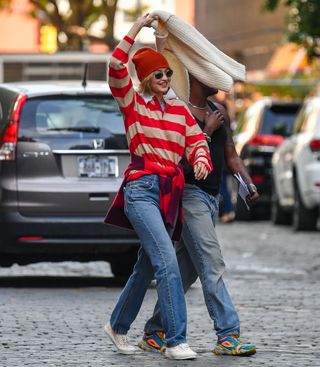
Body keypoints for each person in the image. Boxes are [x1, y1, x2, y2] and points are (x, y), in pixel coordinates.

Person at [103, 14, 212, 361]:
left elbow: (197, 142)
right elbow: (117, 66)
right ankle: (175, 339)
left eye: (167, 73)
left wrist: (200, 160)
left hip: (169, 193)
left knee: (146, 267)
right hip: (141, 190)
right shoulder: (132, 104)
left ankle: (117, 326)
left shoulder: (179, 109)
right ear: (147, 79)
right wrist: (136, 28)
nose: (165, 78)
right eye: (159, 74)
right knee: (167, 261)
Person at [138, 73, 260, 357]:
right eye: (211, 73)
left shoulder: (219, 111)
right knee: (211, 263)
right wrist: (205, 131)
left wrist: (247, 181)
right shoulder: (178, 110)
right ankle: (228, 335)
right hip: (189, 196)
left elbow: (231, 155)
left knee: (185, 270)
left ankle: (154, 331)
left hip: (211, 198)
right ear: (196, 78)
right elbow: (179, 165)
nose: (220, 79)